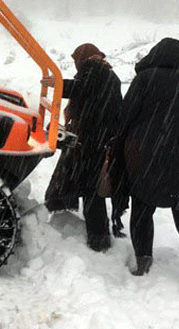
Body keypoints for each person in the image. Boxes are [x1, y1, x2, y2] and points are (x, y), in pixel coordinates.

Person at [112, 37, 179, 299]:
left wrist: (117, 144)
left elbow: (126, 117)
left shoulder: (145, 79)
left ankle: (143, 262)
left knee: (142, 211)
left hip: (149, 158)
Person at [44, 43, 128, 252]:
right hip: (103, 139)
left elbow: (81, 88)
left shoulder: (93, 69)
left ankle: (97, 240)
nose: (76, 65)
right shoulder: (109, 74)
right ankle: (79, 227)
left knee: (89, 189)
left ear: (83, 58)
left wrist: (57, 84)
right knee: (90, 188)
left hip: (91, 141)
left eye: (76, 60)